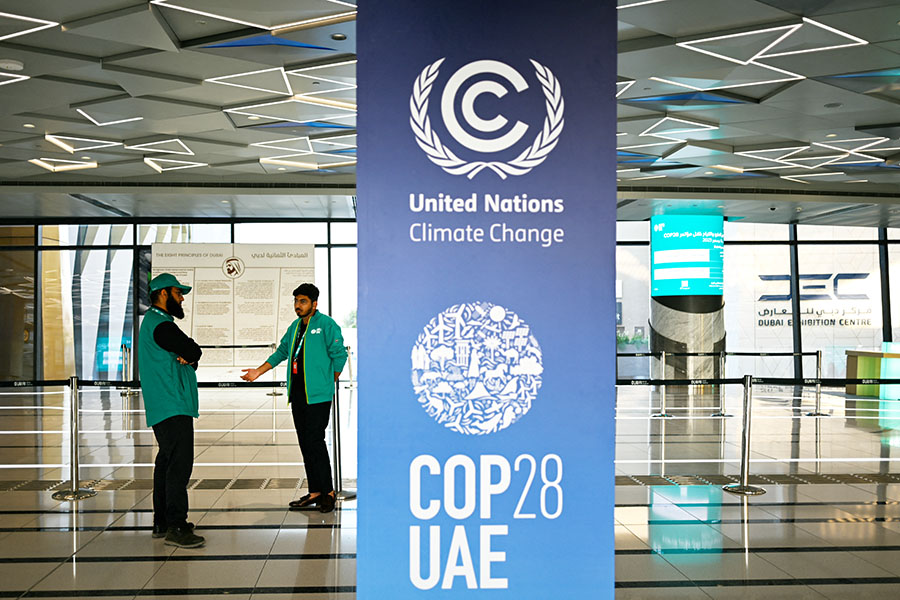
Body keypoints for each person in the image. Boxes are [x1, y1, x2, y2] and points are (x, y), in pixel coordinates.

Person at [241, 283, 347, 513]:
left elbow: (339, 355)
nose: (298, 306)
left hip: (318, 396)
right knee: (305, 443)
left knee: (316, 442)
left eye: (303, 301)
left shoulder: (326, 325)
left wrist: (329, 380)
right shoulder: (295, 326)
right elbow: (281, 351)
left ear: (314, 304)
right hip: (298, 394)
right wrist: (258, 371)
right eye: (296, 301)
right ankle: (315, 491)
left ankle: (328, 492)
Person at [139, 273, 205, 548]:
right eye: (178, 293)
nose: (182, 298)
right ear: (163, 293)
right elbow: (192, 349)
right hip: (172, 403)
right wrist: (192, 356)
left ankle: (163, 520)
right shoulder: (162, 325)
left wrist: (189, 356)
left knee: (166, 462)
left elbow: (187, 354)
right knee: (179, 465)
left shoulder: (152, 323)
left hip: (163, 403)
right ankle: (177, 525)